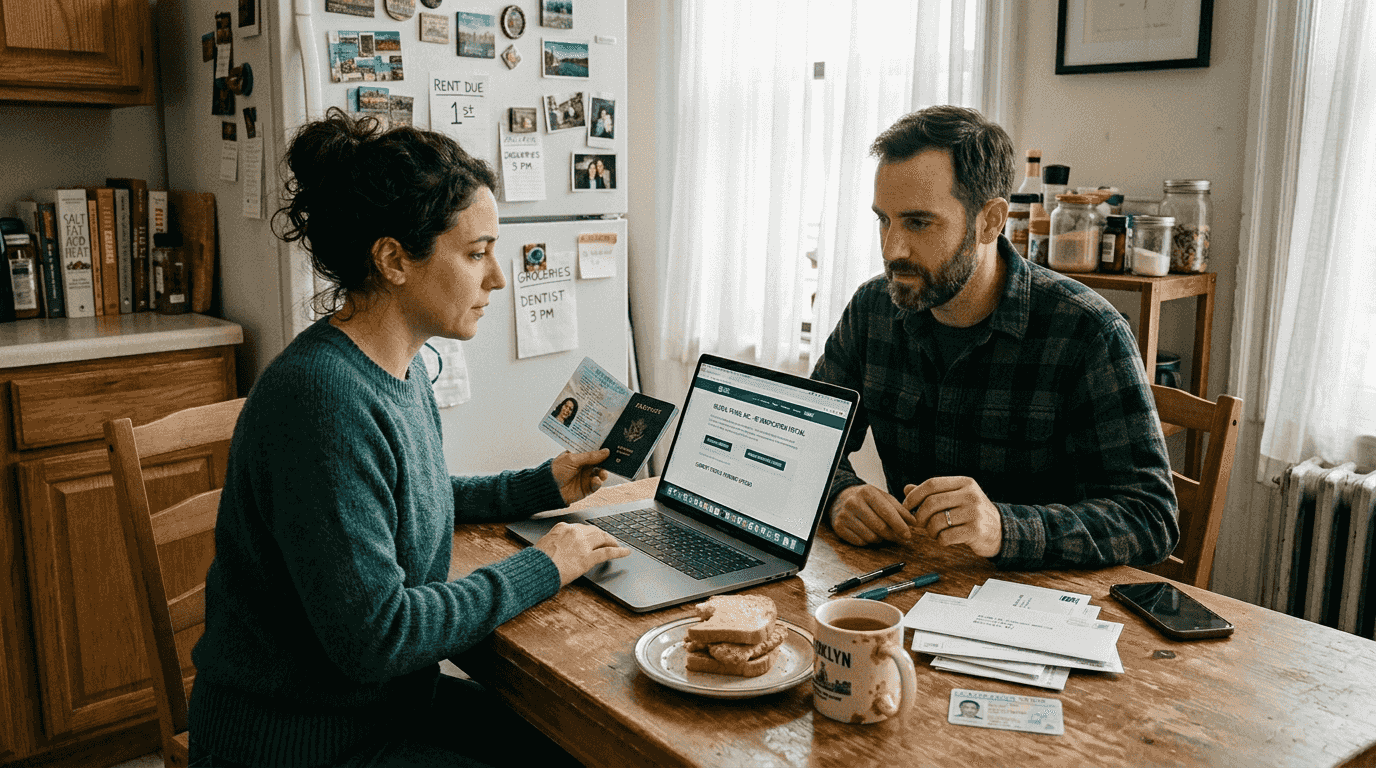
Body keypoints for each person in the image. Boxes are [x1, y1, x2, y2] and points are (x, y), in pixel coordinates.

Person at [186, 108, 630, 768]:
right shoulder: (320, 400)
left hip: (382, 709)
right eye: (477, 253)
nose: (498, 278)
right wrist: (547, 564)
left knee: (585, 749)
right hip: (302, 742)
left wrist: (536, 486)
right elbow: (380, 636)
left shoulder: (402, 365)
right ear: (393, 259)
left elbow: (403, 500)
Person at [810, 105, 1177, 571]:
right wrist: (841, 494)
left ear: (990, 221)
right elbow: (808, 444)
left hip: (1040, 609)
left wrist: (1005, 527)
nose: (892, 249)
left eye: (919, 223)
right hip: (912, 586)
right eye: (885, 220)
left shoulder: (1087, 332)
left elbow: (1150, 518)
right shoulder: (872, 310)